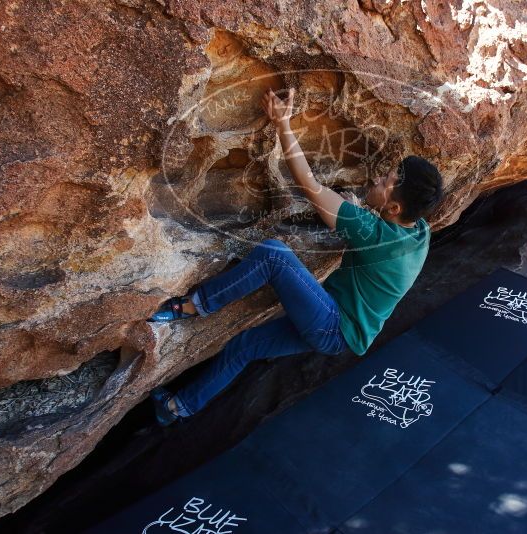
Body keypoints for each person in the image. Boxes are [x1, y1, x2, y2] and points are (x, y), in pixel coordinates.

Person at [148, 87, 444, 426]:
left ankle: (192, 305)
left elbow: (309, 184)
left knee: (275, 254)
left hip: (332, 325)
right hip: (344, 333)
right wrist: (362, 210)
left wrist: (283, 123)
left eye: (387, 181)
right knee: (244, 347)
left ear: (394, 207)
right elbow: (383, 232)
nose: (379, 178)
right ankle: (177, 408)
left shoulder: (374, 234)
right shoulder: (418, 231)